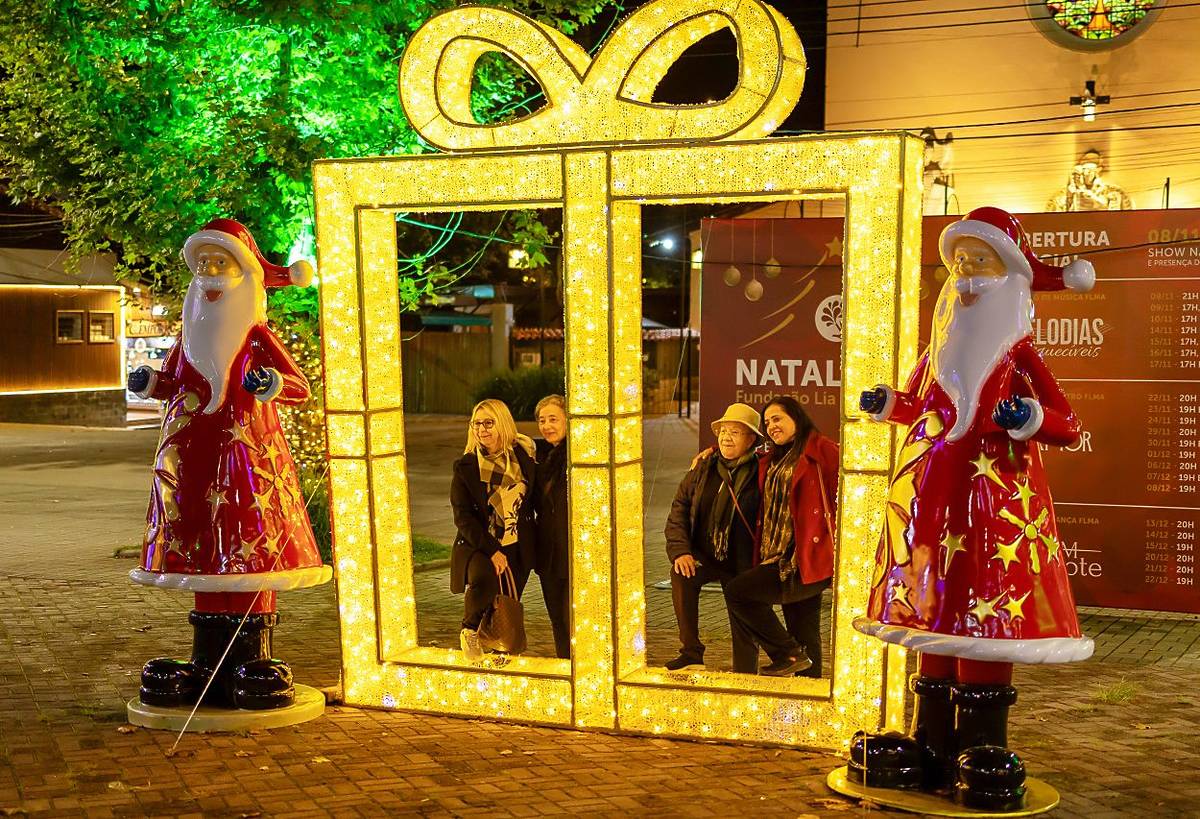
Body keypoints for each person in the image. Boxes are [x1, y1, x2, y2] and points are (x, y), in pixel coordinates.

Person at [850, 207, 1095, 810]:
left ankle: (981, 743)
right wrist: (888, 403)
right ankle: (929, 740)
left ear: (1009, 275)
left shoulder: (1020, 355)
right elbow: (917, 404)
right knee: (934, 602)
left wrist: (1029, 419)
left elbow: (1067, 423)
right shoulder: (939, 352)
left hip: (995, 506)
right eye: (959, 265)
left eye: (978, 264)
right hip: (934, 501)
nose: (964, 278)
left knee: (983, 605)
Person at [127, 218, 331, 710]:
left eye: (219, 262)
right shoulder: (190, 338)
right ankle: (204, 661)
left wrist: (273, 386)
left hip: (248, 462)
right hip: (193, 458)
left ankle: (253, 655)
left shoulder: (256, 335)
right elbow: (175, 382)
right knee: (201, 544)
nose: (210, 273)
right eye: (202, 265)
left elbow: (298, 385)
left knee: (247, 541)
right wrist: (151, 383)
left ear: (241, 272)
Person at [723, 396, 838, 677]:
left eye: (777, 419)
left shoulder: (822, 449)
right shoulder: (773, 457)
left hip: (801, 559)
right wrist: (712, 452)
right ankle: (807, 696)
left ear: (796, 418)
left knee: (738, 593)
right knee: (804, 631)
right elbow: (737, 454)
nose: (772, 426)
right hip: (775, 553)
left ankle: (786, 653)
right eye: (767, 422)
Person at [663, 403, 763, 672]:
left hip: (743, 558)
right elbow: (679, 510)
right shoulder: (704, 467)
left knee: (743, 611)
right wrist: (681, 551)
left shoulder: (763, 470)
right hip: (705, 554)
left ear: (751, 439)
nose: (726, 437)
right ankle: (691, 652)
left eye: (736, 432)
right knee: (682, 574)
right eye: (723, 431)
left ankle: (745, 670)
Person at [451, 399, 538, 662]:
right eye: (477, 424)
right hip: (478, 542)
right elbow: (463, 517)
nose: (482, 429)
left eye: (489, 423)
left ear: (502, 423)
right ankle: (469, 630)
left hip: (517, 542)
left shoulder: (523, 455)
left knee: (506, 603)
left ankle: (501, 650)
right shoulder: (466, 466)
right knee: (485, 580)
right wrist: (493, 550)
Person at [533, 394, 571, 659]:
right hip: (548, 553)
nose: (547, 426)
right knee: (557, 619)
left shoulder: (577, 457)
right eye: (542, 420)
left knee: (574, 620)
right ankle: (564, 665)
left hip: (572, 551)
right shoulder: (540, 456)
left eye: (554, 419)